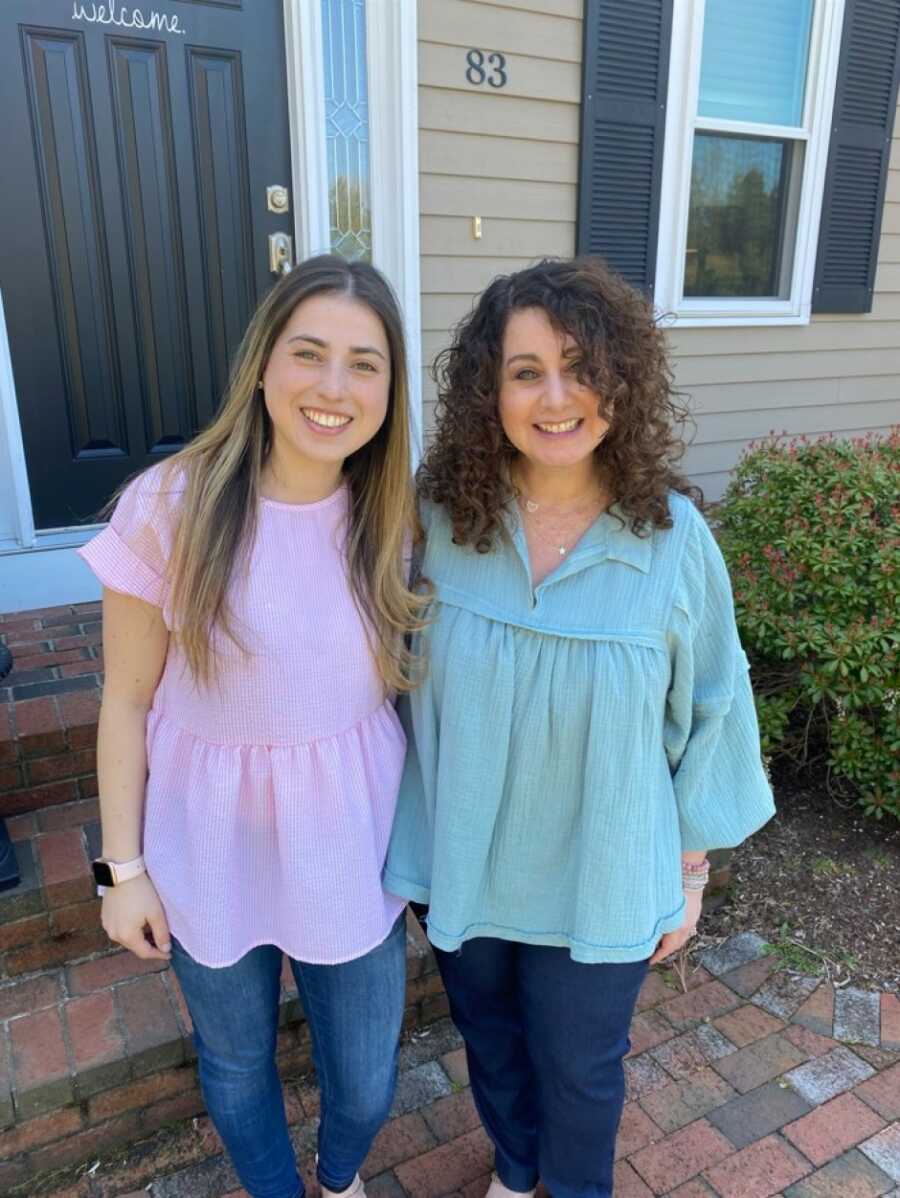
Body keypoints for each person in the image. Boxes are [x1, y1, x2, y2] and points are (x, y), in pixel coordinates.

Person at [384, 257, 775, 1198]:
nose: (555, 397)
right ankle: (516, 1174)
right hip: (464, 858)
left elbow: (715, 708)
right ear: (491, 391)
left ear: (622, 381)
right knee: (491, 1043)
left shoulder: (674, 539)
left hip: (600, 878)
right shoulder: (438, 522)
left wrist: (689, 871)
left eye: (579, 366)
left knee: (582, 1071)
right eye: (525, 372)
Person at [78, 255, 426, 1198]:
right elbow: (126, 699)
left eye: (365, 364)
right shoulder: (172, 507)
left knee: (365, 1078)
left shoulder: (395, 513)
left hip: (350, 843)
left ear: (390, 390)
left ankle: (338, 1175)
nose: (333, 387)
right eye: (308, 354)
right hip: (206, 841)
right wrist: (124, 870)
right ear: (263, 366)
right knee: (235, 1068)